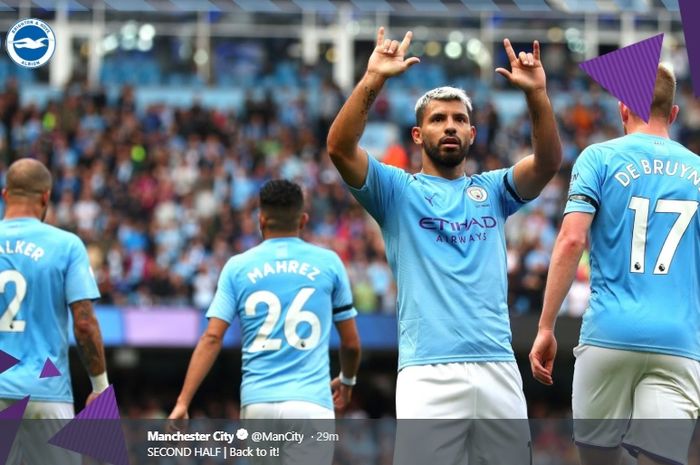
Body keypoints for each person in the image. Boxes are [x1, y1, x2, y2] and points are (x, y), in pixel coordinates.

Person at [326, 27, 561, 465]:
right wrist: (373, 78)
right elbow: (339, 148)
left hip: (497, 366)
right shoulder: (395, 191)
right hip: (427, 373)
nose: (449, 126)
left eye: (458, 120)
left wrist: (537, 97)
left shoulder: (494, 190)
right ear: (418, 135)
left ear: (472, 134)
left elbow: (547, 162)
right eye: (438, 119)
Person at [530, 65, 700, 465]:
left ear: (624, 108)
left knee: (596, 457)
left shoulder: (598, 158)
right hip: (678, 340)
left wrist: (545, 326)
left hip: (609, 333)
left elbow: (572, 240)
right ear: (673, 114)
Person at [169, 179, 361, 465]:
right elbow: (351, 343)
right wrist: (347, 381)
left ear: (261, 219)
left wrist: (183, 402)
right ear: (303, 220)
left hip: (258, 404)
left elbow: (211, 338)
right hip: (310, 405)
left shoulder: (237, 267)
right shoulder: (329, 263)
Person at [0, 158, 108, 465]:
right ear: (46, 196)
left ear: (5, 193)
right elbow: (84, 323)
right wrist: (99, 387)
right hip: (46, 392)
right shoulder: (66, 245)